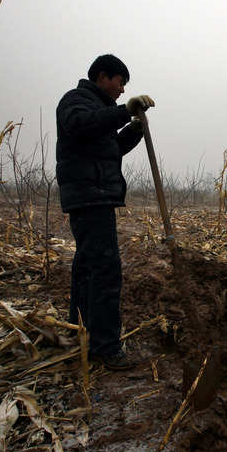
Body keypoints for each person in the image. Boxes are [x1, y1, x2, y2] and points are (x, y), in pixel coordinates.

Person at [56, 54, 154, 370]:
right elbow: (81, 126)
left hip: (95, 196)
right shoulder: (77, 101)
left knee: (87, 266)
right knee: (105, 270)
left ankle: (81, 327)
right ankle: (106, 347)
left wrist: (134, 128)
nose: (123, 90)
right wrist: (122, 113)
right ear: (102, 76)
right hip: (89, 196)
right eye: (120, 82)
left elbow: (109, 149)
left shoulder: (100, 110)